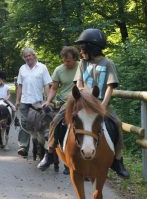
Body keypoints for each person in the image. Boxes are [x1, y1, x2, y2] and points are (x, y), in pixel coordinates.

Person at [42, 28, 130, 178]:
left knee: (117, 123)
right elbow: (79, 83)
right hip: (81, 101)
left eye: (83, 47)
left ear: (92, 47)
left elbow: (110, 87)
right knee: (56, 120)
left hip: (101, 102)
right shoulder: (82, 63)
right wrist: (83, 98)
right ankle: (50, 152)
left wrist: (102, 105)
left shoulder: (108, 63)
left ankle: (117, 160)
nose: (81, 50)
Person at [38, 46, 80, 174]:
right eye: (64, 60)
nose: (66, 63)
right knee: (54, 122)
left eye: (68, 61)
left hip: (81, 99)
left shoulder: (82, 67)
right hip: (65, 102)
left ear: (75, 59)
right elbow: (54, 88)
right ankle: (49, 153)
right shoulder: (59, 70)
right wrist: (48, 100)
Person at [15, 47, 52, 157]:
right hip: (25, 101)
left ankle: (42, 147)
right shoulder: (22, 68)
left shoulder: (42, 67)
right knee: (24, 124)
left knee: (40, 125)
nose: (27, 58)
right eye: (25, 56)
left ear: (34, 56)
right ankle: (23, 147)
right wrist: (17, 100)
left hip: (38, 103)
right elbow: (19, 85)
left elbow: (46, 84)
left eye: (29, 55)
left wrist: (47, 100)